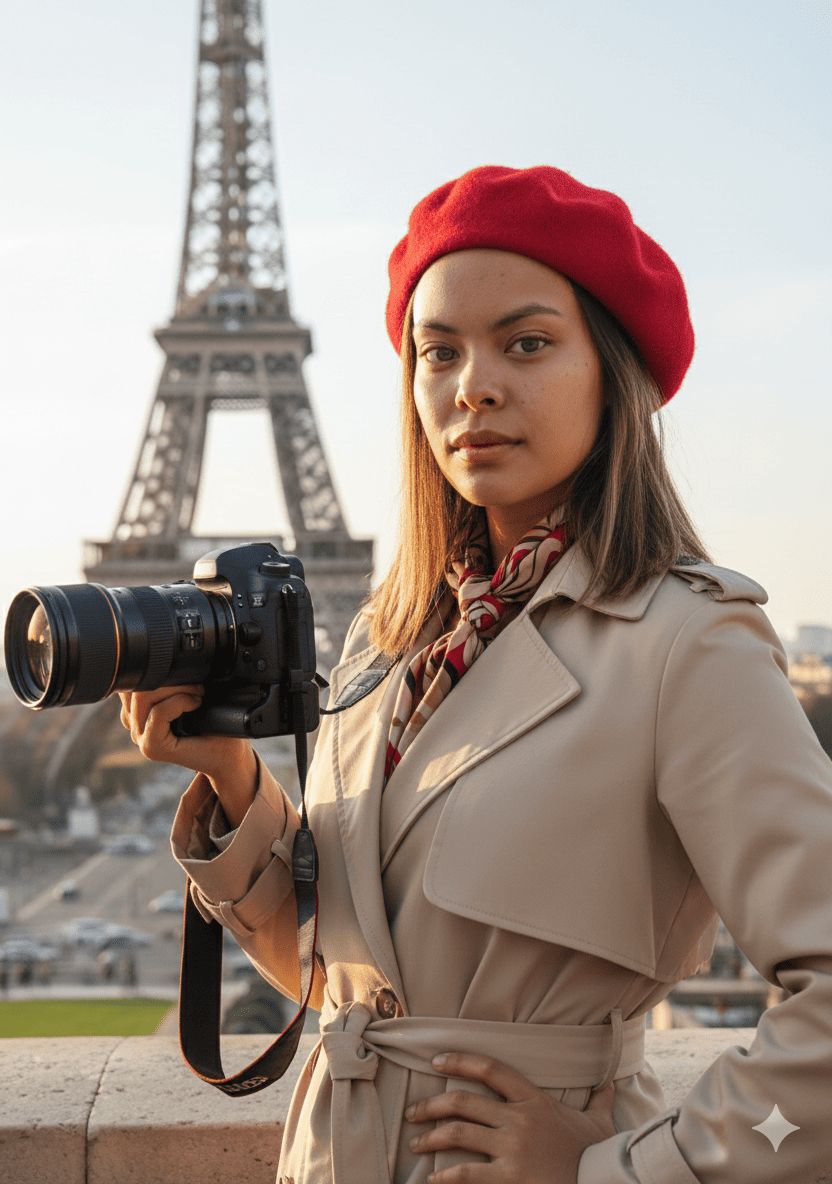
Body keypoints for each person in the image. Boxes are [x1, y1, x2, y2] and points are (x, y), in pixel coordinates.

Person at [118, 165, 832, 1183]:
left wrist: (627, 1169)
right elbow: (339, 984)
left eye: (527, 342)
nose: (474, 386)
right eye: (438, 350)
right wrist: (235, 781)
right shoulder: (391, 639)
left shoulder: (688, 641)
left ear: (611, 370)